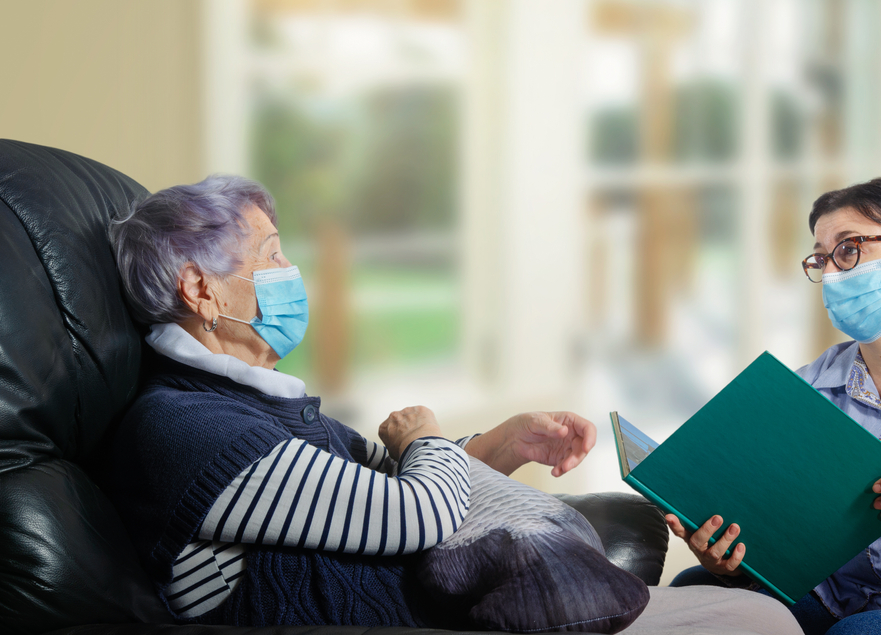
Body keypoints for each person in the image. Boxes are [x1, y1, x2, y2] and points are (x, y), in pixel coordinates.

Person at [105, 175, 803, 634]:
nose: (292, 276)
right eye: (273, 256)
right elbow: (417, 512)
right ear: (202, 291)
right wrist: (429, 435)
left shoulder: (255, 410)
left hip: (460, 613)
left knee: (760, 613)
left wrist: (506, 441)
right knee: (764, 623)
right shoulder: (194, 432)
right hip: (433, 624)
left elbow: (381, 486)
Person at [668, 178, 881, 634]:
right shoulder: (806, 386)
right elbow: (778, 528)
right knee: (696, 589)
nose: (833, 273)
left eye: (849, 249)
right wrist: (733, 561)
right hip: (833, 595)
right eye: (823, 258)